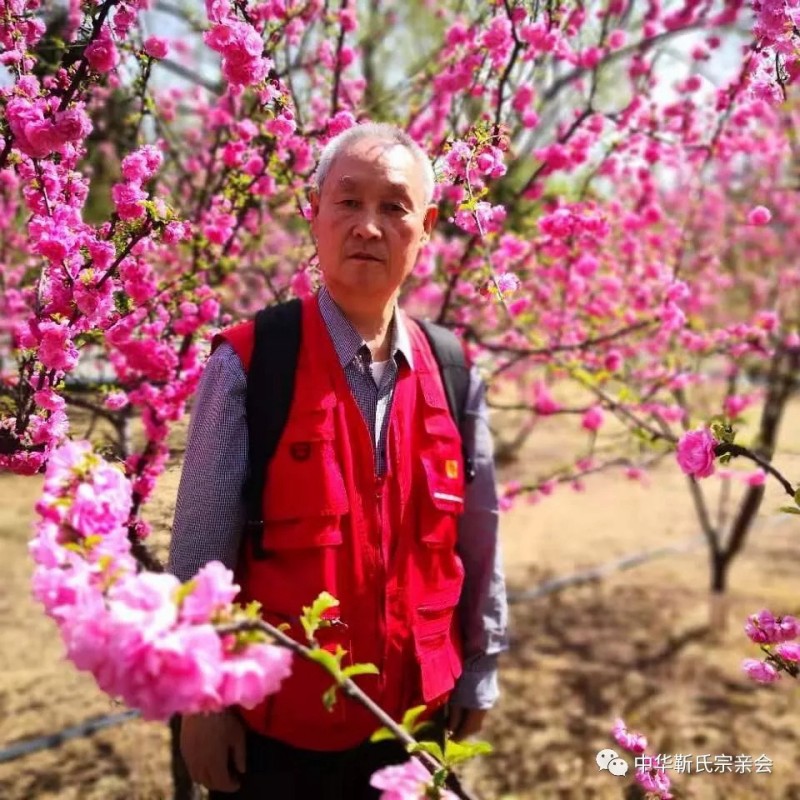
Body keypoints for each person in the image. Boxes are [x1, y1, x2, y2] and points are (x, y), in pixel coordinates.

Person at [168, 122, 508, 799]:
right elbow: (199, 556)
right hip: (277, 736)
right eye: (348, 202)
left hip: (415, 721)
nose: (368, 227)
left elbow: (479, 541)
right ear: (314, 213)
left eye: (394, 207)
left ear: (426, 226)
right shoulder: (251, 362)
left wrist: (480, 670)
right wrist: (202, 703)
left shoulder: (452, 372)